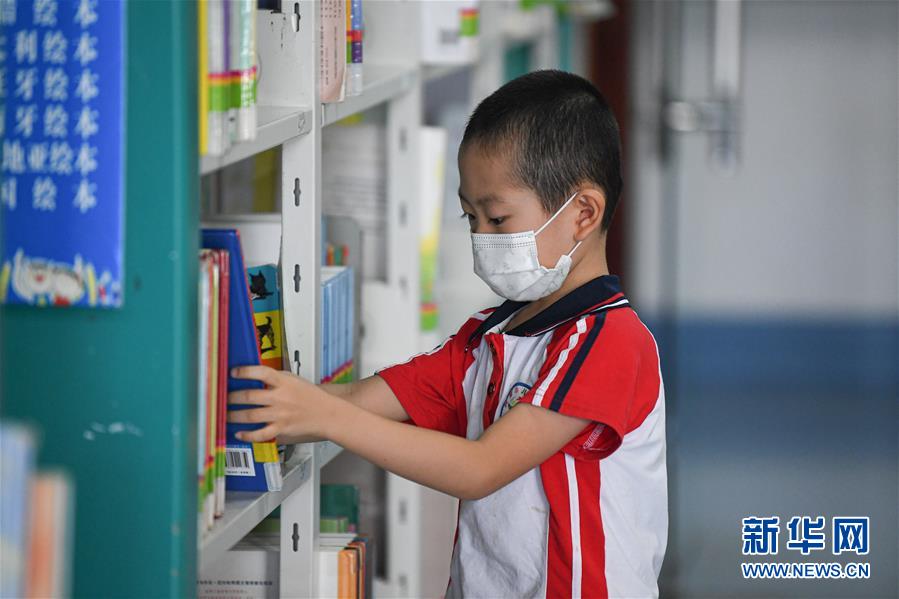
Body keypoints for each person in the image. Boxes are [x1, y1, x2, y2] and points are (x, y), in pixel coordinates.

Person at [228, 69, 668, 598]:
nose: (480, 237)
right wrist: (278, 406)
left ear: (583, 213)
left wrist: (325, 417)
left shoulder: (609, 341)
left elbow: (480, 469)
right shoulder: (488, 336)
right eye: (469, 218)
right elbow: (361, 402)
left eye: (497, 219)